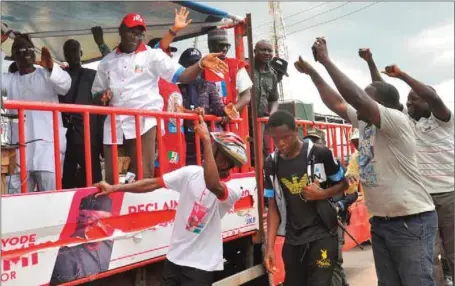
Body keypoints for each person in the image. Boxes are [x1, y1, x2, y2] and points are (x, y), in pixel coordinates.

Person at [295, 38, 437, 285]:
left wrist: (327, 61)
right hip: (382, 222)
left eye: (367, 99)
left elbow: (358, 99)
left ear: (382, 106)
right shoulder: (364, 121)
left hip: (410, 222)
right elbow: (337, 102)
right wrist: (313, 72)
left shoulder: (397, 122)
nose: (358, 104)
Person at [94, 115, 248, 286]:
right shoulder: (191, 173)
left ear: (224, 162)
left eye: (213, 149)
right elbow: (151, 184)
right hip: (174, 259)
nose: (208, 150)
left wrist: (205, 139)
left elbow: (212, 183)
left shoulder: (233, 189)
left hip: (201, 266)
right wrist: (114, 188)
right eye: (210, 146)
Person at [91, 13, 227, 184]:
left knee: (142, 175)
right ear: (121, 31)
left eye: (140, 33)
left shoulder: (153, 56)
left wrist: (200, 65)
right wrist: (102, 96)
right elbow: (95, 93)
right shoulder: (107, 61)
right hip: (114, 125)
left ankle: (141, 208)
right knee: (112, 178)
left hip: (143, 123)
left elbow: (183, 75)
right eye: (132, 31)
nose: (136, 36)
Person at [381, 62, 454, 286]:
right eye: (408, 99)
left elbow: (433, 99)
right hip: (422, 202)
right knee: (428, 257)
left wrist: (403, 75)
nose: (409, 102)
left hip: (450, 197)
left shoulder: (444, 119)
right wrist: (372, 64)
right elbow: (385, 96)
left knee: (453, 253)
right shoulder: (408, 121)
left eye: (414, 98)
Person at [263, 110, 348, 286]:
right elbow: (273, 206)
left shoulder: (320, 154)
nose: (281, 143)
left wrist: (322, 194)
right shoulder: (271, 163)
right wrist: (270, 247)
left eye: (285, 137)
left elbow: (344, 184)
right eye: (275, 139)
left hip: (322, 234)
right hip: (293, 239)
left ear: (296, 131)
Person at [2, 34, 71, 193]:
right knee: (17, 201)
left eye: (29, 49)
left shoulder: (47, 75)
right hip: (19, 151)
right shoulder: (9, 80)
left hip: (47, 148)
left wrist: (51, 67)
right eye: (19, 50)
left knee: (50, 197)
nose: (25, 52)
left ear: (34, 53)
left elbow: (65, 85)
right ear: (13, 56)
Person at [305, 128, 358, 286]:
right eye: (310, 141)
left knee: (333, 262)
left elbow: (352, 193)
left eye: (316, 141)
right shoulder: (303, 167)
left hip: (333, 220)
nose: (312, 145)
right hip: (312, 224)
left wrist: (338, 206)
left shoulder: (335, 166)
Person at [178, 47, 235, 165]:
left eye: (197, 63)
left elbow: (217, 106)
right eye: (191, 64)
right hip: (184, 139)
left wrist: (225, 110)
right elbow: (176, 108)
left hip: (204, 138)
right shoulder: (177, 87)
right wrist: (190, 113)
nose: (196, 68)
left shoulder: (208, 85)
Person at [60, 39, 104, 188]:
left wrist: (101, 139)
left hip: (87, 135)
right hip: (65, 136)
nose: (70, 54)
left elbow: (101, 106)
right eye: (67, 52)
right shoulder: (59, 77)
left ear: (81, 53)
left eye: (74, 50)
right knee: (65, 180)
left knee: (93, 178)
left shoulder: (93, 75)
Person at [50, 194, 114, 285]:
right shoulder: (65, 257)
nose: (87, 222)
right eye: (82, 217)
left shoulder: (109, 246)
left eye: (94, 220)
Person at [204, 29, 252, 124]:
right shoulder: (201, 67)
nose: (225, 49)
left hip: (231, 123)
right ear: (210, 46)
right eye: (221, 45)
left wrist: (230, 112)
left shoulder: (236, 65)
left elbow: (246, 96)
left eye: (227, 46)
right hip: (209, 123)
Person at [251, 40, 280, 165]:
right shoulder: (246, 68)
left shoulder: (272, 74)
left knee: (260, 151)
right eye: (263, 50)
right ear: (254, 52)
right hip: (244, 119)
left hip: (260, 121)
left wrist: (273, 113)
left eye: (269, 50)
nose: (267, 53)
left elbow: (274, 99)